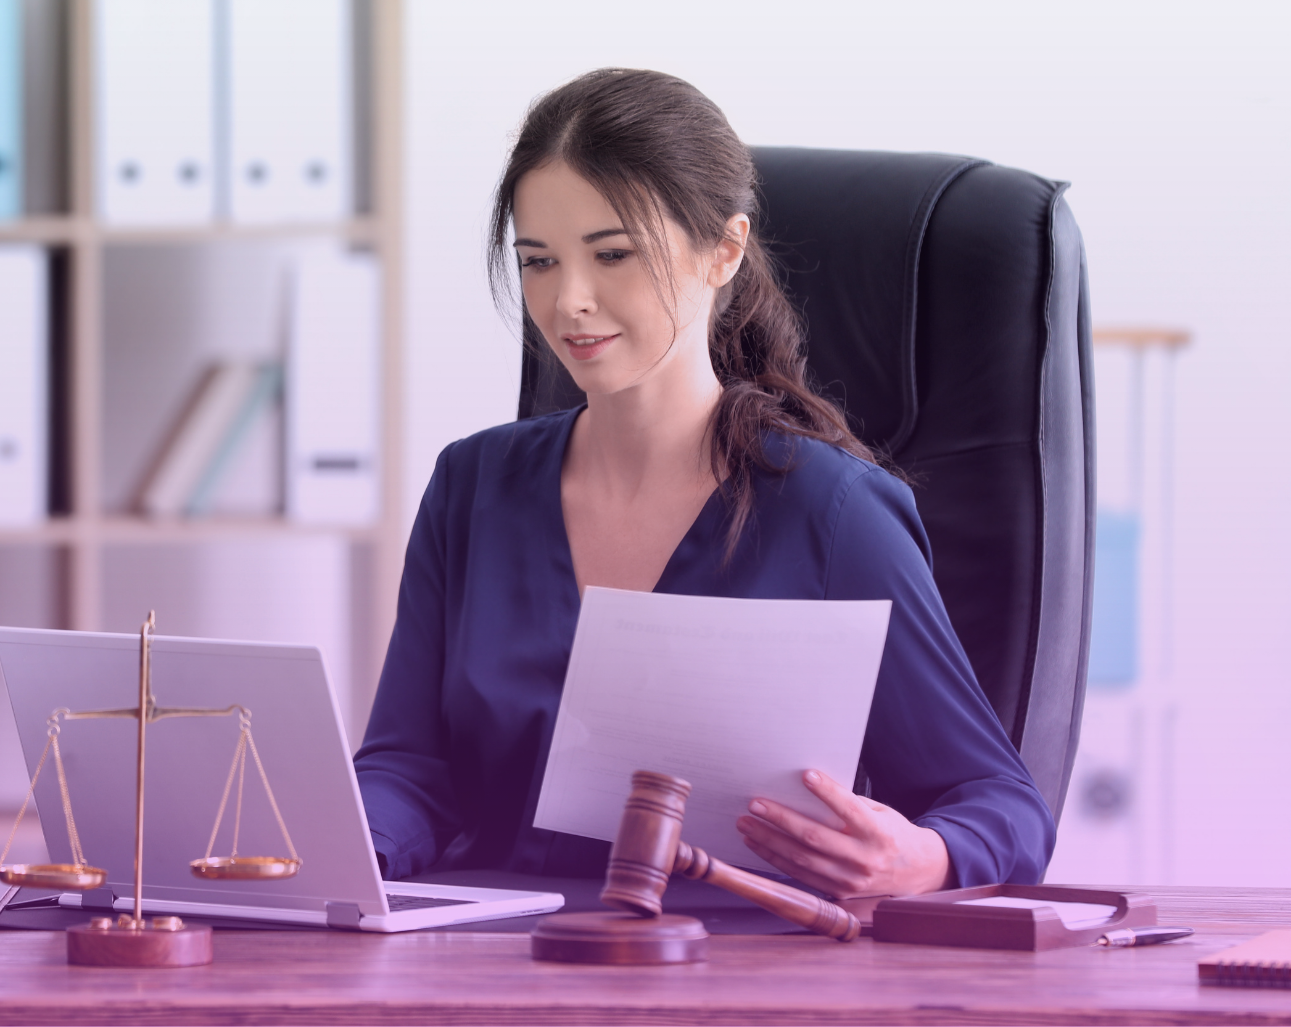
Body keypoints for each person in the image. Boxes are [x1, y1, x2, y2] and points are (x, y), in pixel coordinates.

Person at [353, 68, 1054, 898]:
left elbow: (999, 803)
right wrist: (339, 841)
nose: (568, 300)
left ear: (723, 250)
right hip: (489, 958)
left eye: (613, 255)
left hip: (732, 970)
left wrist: (927, 858)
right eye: (539, 261)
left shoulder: (832, 513)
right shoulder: (472, 487)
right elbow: (409, 768)